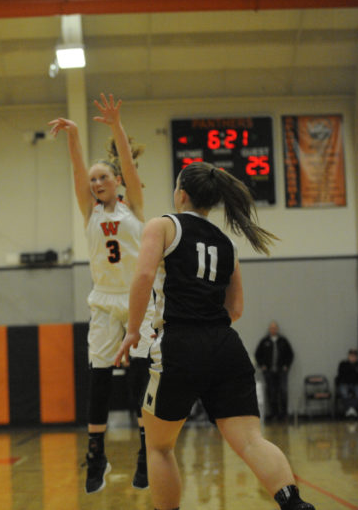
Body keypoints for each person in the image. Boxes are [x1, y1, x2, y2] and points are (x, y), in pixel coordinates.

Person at [115, 161, 314, 510]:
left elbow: (143, 276)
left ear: (182, 194)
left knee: (160, 447)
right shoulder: (226, 243)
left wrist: (132, 330)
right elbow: (235, 309)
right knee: (252, 441)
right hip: (226, 346)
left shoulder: (162, 225)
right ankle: (294, 503)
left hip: (179, 344)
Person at [49, 93, 155, 493]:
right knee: (98, 377)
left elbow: (126, 162)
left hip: (139, 302)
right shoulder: (89, 210)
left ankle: (146, 452)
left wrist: (115, 127)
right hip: (105, 303)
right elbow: (77, 171)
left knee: (139, 378)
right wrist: (74, 137)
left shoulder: (135, 207)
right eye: (93, 180)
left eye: (103, 178)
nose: (95, 183)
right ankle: (97, 453)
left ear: (118, 182)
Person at [255, 321, 294, 420]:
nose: (273, 329)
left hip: (281, 371)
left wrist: (286, 366)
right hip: (269, 372)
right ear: (269, 329)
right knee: (272, 393)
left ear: (277, 329)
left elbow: (290, 354)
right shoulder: (265, 341)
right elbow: (257, 354)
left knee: (283, 391)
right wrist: (262, 365)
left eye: (275, 328)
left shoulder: (283, 341)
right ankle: (274, 414)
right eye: (271, 328)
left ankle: (284, 414)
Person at [336, 348, 358, 418]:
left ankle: (350, 410)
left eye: (354, 356)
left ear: (356, 357)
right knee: (344, 392)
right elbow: (341, 375)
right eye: (351, 355)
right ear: (348, 356)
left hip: (356, 385)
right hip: (345, 384)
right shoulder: (343, 364)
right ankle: (351, 410)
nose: (352, 357)